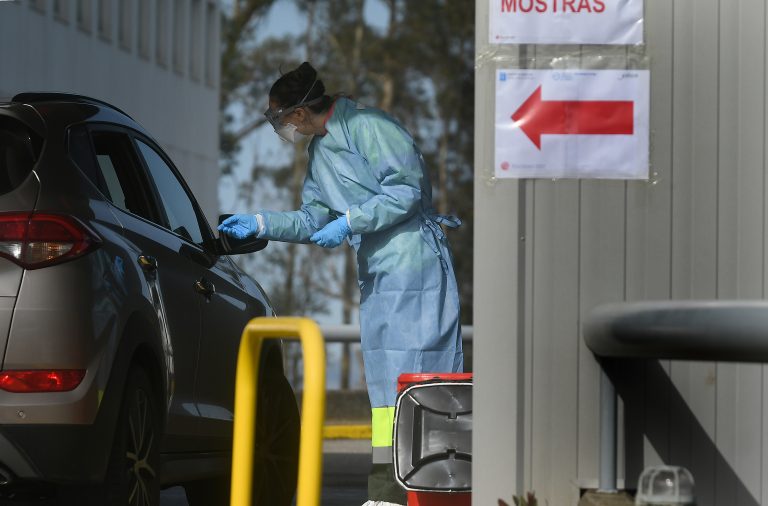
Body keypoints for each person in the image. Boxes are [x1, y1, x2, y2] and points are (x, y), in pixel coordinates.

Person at [218, 62, 463, 506]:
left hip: (414, 263)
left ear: (296, 112)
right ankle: (388, 491)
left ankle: (430, 490)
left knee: (420, 378)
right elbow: (313, 218)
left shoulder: (370, 126)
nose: (283, 128)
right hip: (378, 270)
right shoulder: (320, 153)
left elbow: (406, 190)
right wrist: (261, 223)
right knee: (387, 390)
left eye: (279, 118)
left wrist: (351, 219)